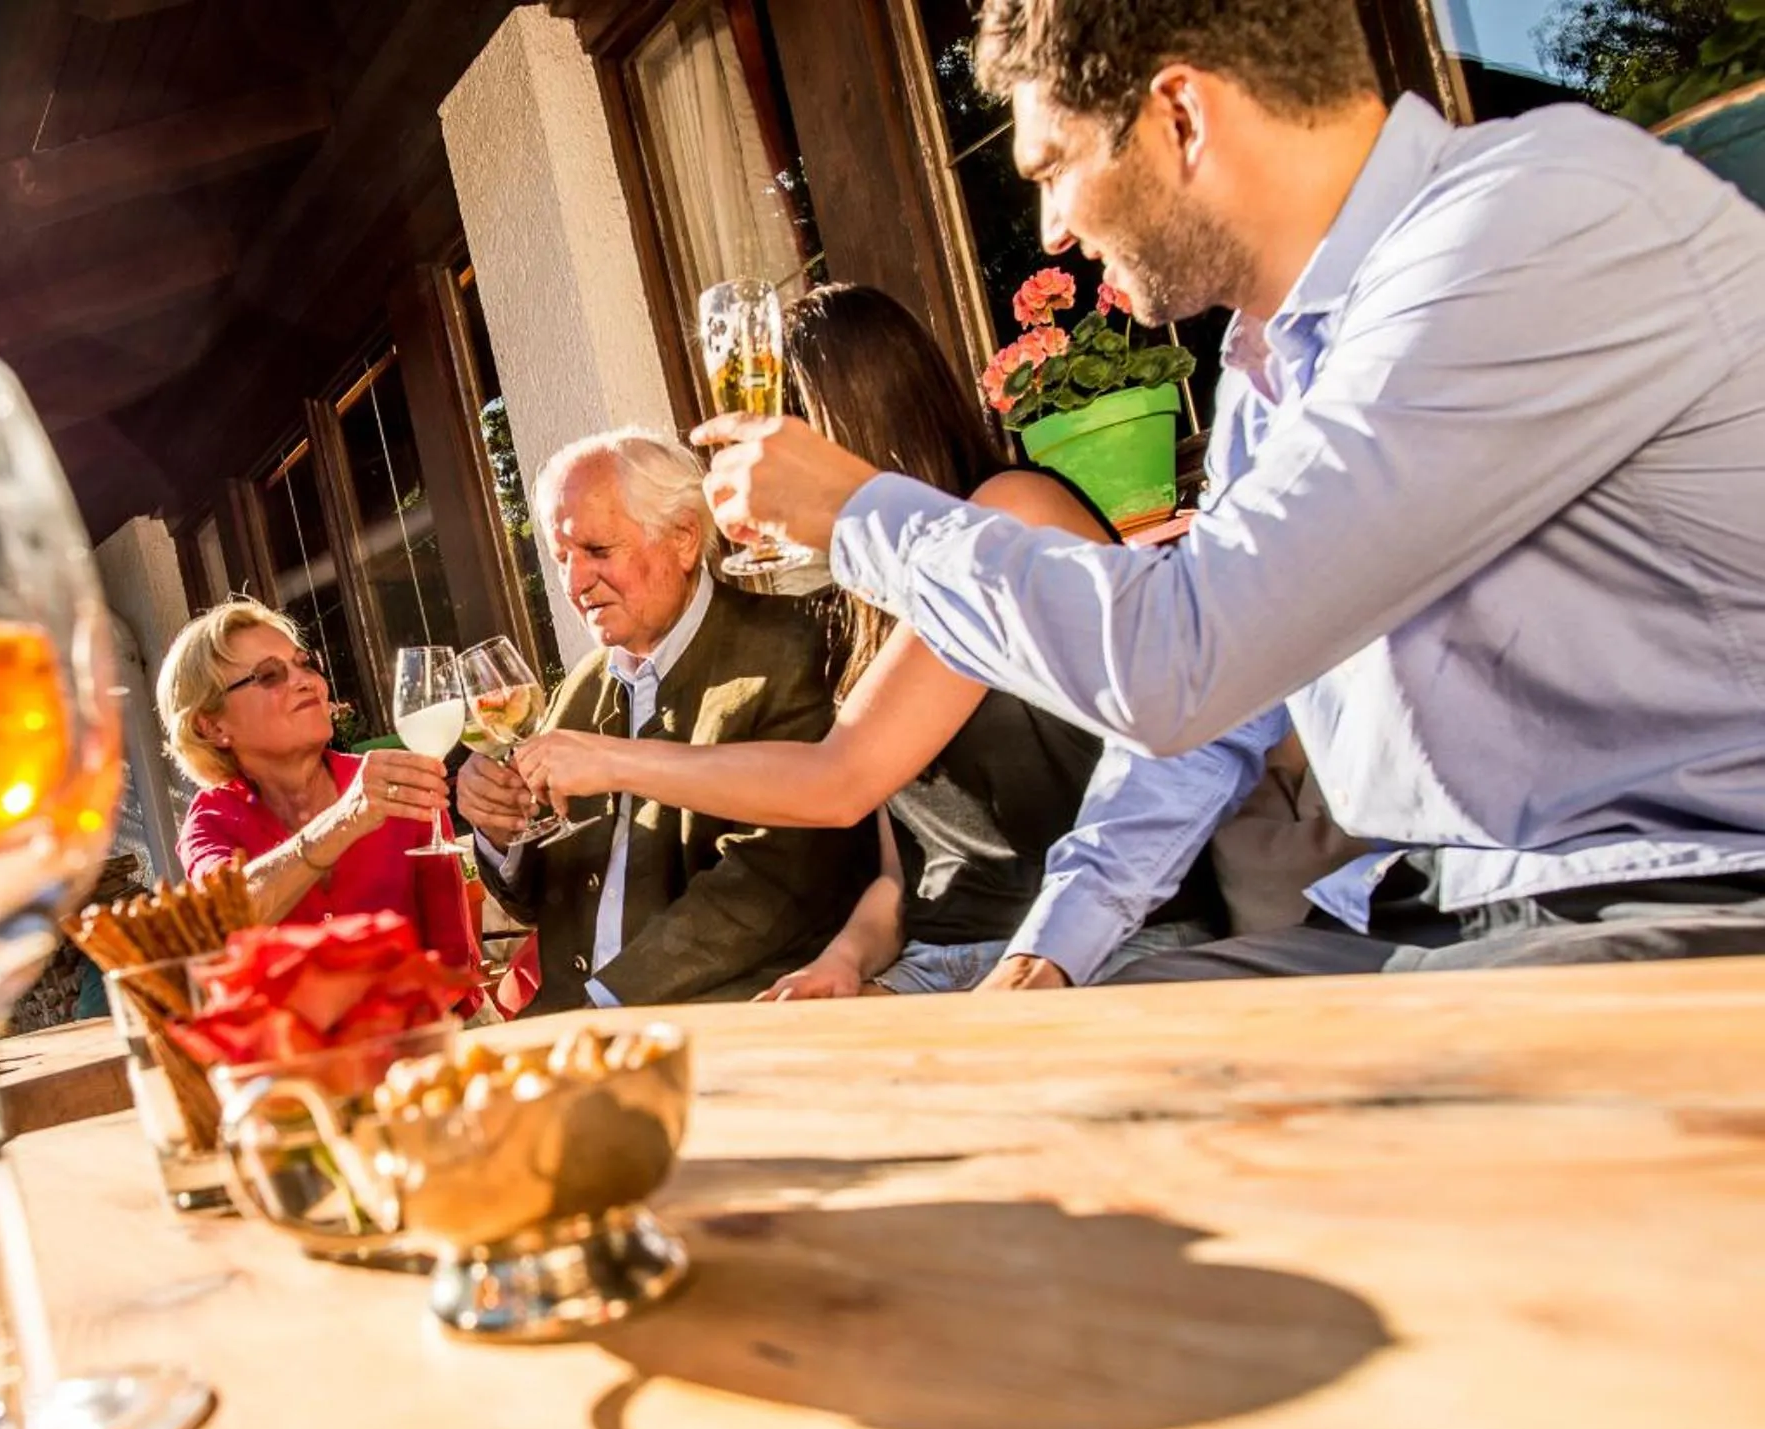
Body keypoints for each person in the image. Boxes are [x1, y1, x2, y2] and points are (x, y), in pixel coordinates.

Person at [694, 0, 1765, 980]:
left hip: (1684, 893)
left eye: (1051, 167)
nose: (1053, 229)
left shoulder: (1526, 223)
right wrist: (1054, 951)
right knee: (1012, 1072)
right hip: (1422, 914)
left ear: (1179, 116)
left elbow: (1183, 657)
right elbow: (1212, 720)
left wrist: (853, 509)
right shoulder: (1270, 365)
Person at [512, 284, 1226, 997]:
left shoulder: (1013, 514)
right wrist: (845, 962)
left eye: (762, 444)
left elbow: (839, 782)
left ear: (839, 427)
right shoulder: (859, 605)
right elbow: (903, 877)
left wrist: (615, 760)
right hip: (937, 965)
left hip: (1110, 944)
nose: (737, 474)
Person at [455, 428, 873, 1015]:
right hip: (574, 1021)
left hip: (719, 1017)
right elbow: (535, 901)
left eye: (597, 551)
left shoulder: (790, 648)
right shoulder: (580, 686)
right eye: (561, 559)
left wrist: (600, 1005)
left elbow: (778, 881)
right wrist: (498, 833)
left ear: (682, 539)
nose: (574, 585)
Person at [159, 600, 476, 972]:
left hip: (419, 1024)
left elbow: (453, 962)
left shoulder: (392, 786)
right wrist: (342, 822)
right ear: (211, 727)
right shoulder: (213, 818)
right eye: (269, 675)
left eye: (304, 663)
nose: (305, 680)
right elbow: (223, 920)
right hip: (287, 1031)